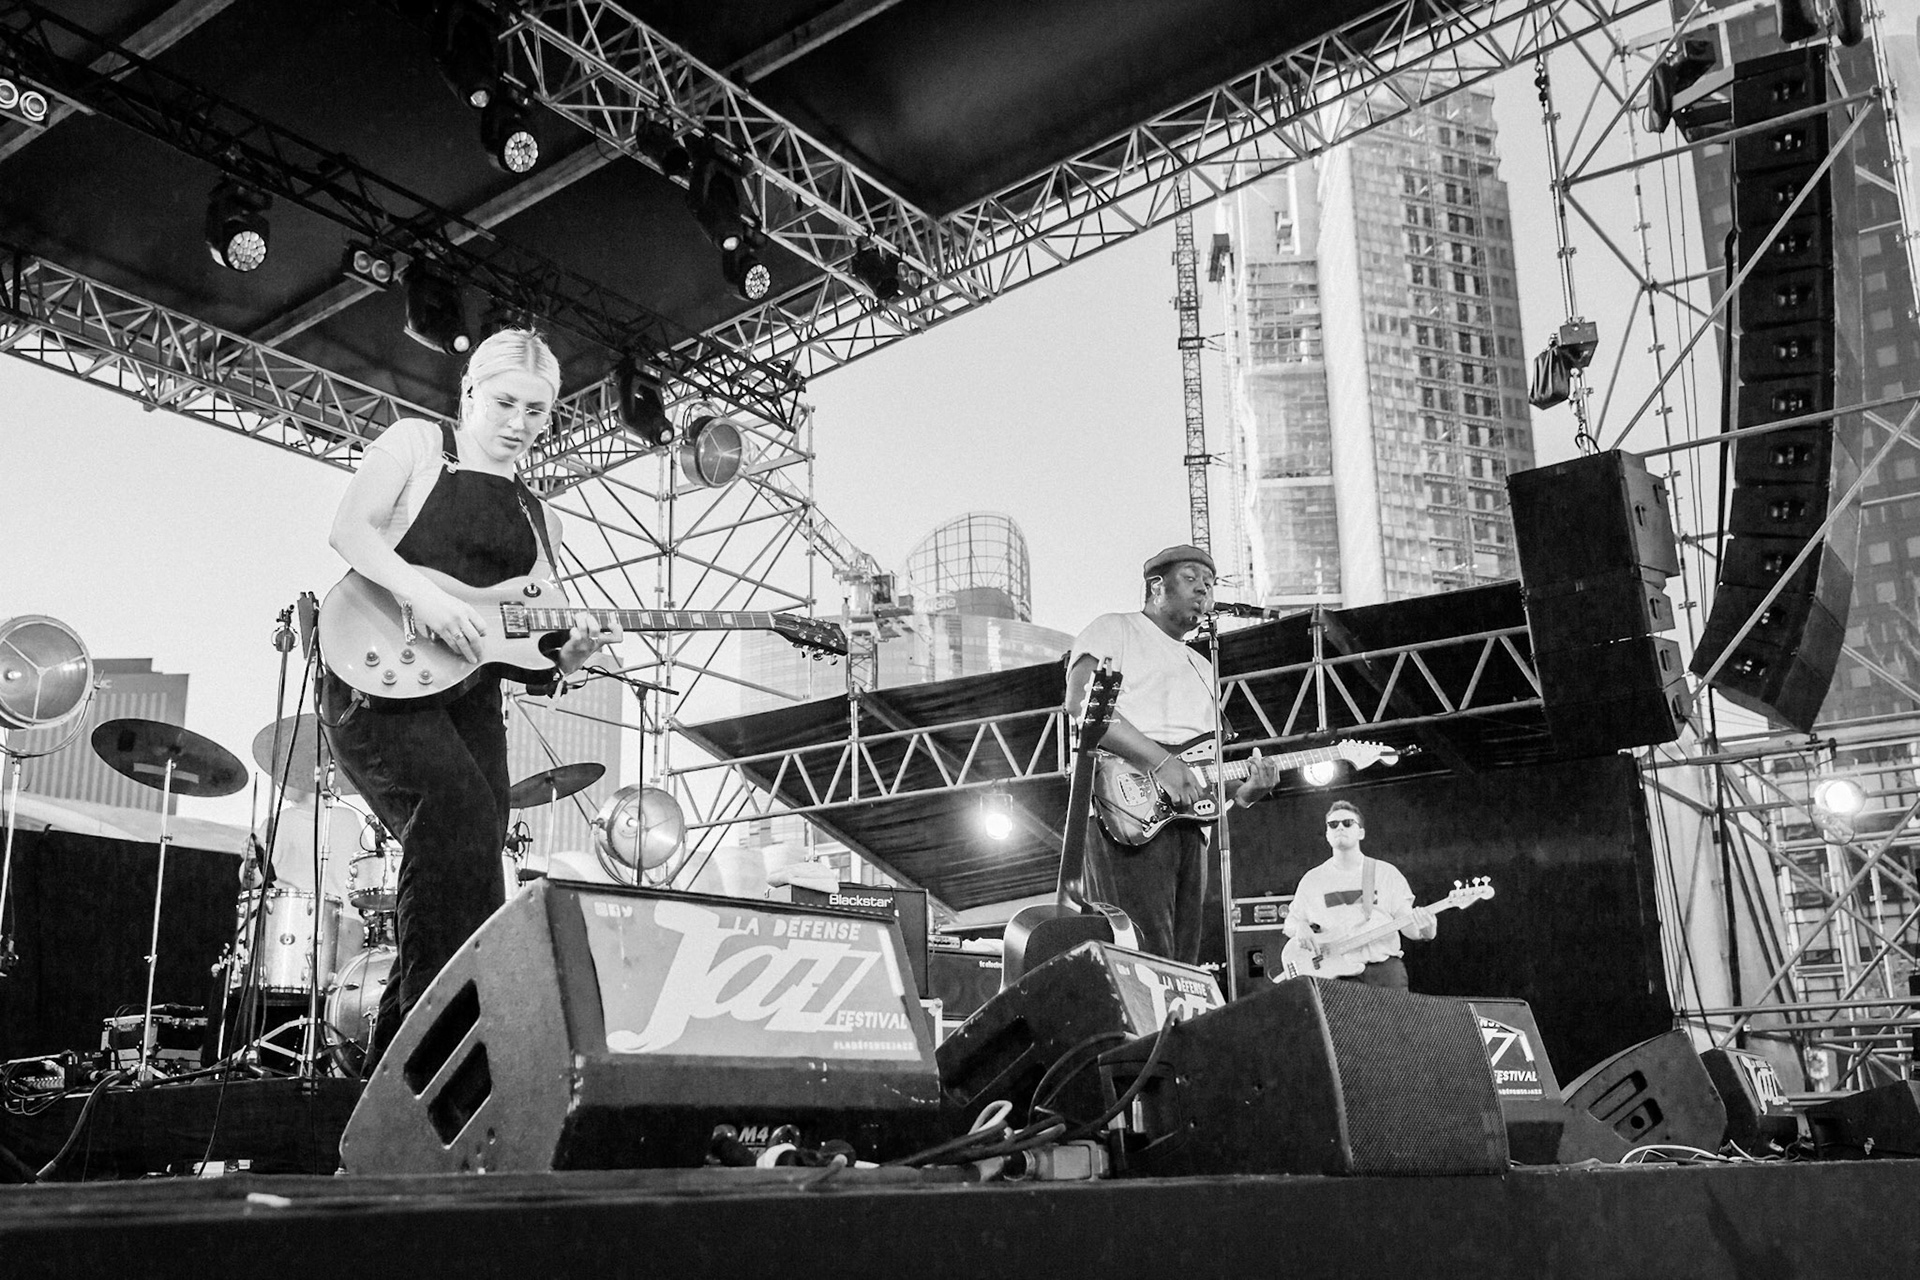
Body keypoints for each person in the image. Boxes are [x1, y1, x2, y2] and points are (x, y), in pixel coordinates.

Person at [318, 328, 618, 1067]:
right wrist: (423, 594)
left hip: (470, 702)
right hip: (375, 679)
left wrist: (572, 657)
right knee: (453, 816)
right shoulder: (418, 445)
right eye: (507, 403)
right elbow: (348, 529)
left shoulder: (540, 519)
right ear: (471, 394)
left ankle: (408, 1061)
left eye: (540, 412)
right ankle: (423, 1060)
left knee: (475, 855)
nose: (520, 423)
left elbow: (534, 649)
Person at [1065, 544, 1281, 963]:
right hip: (1125, 809)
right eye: (1191, 577)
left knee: (1182, 958)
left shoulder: (1204, 667)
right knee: (1142, 949)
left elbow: (1199, 769)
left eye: (1210, 582)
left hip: (1190, 825)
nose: (1203, 588)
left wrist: (1245, 791)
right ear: (1156, 587)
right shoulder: (1115, 628)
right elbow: (1084, 705)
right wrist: (1161, 763)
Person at [1282, 799, 1436, 990]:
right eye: (1333, 824)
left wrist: (1427, 930)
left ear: (1361, 832)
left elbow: (1409, 928)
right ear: (1327, 834)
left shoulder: (1386, 873)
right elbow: (1290, 924)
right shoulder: (1312, 880)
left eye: (1348, 823)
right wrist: (1301, 927)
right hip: (1333, 975)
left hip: (1383, 971)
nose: (1340, 828)